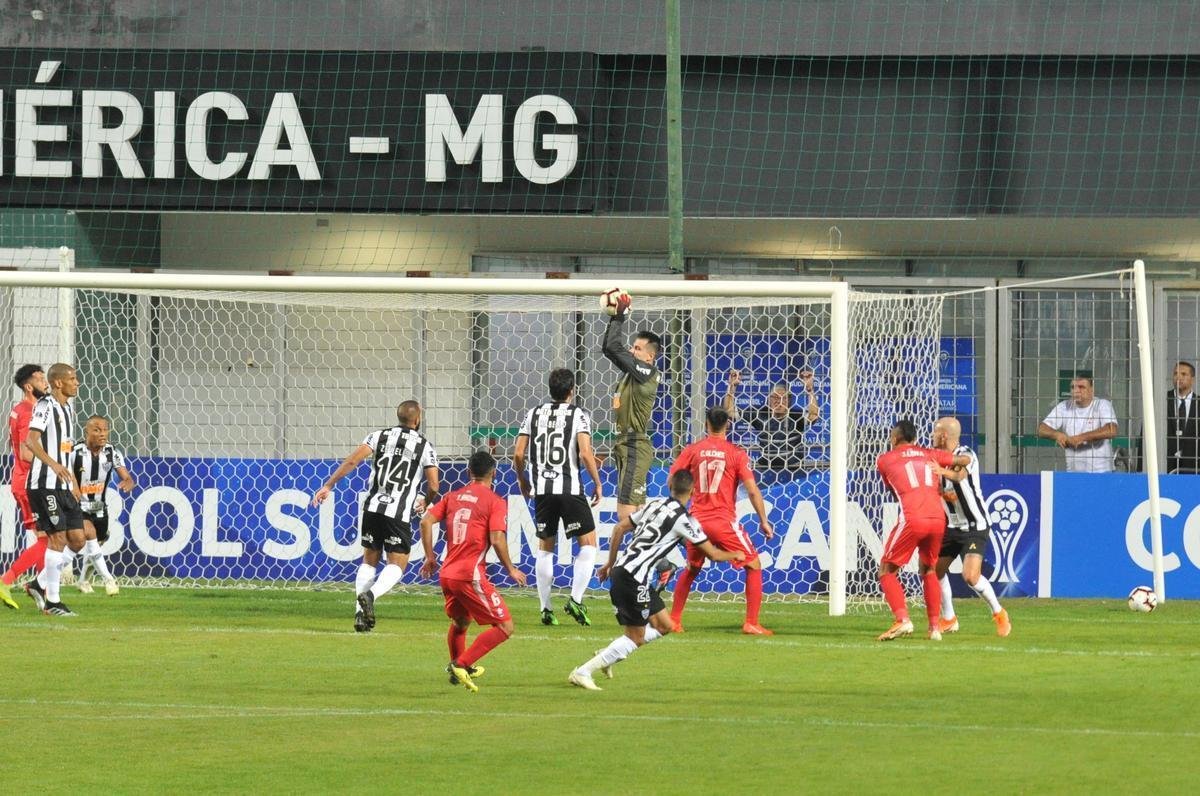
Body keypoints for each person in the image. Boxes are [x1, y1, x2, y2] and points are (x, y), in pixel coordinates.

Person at [568, 470, 743, 691]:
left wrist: (610, 563)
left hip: (630, 574)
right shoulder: (685, 520)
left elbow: (619, 527)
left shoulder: (655, 505)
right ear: (693, 492)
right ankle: (583, 672)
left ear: (670, 487)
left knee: (665, 626)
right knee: (635, 638)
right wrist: (736, 554)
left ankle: (608, 654)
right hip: (633, 579)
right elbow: (714, 554)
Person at [312, 400, 440, 632]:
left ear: (399, 416)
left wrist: (328, 485)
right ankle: (370, 596)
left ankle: (360, 616)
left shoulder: (377, 436)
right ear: (417, 419)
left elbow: (352, 460)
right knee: (398, 563)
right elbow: (434, 485)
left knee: (369, 560)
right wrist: (427, 501)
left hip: (372, 508)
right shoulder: (425, 446)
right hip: (398, 512)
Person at [419, 450, 527, 693]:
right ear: (494, 474)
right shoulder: (495, 501)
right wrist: (511, 569)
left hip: (447, 574)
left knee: (461, 621)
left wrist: (430, 557)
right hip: (470, 575)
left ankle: (458, 669)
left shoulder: (452, 496)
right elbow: (497, 539)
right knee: (505, 627)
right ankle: (461, 664)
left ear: (469, 472)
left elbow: (425, 521)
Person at [668, 406, 776, 635]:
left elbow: (672, 480)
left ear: (706, 423)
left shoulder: (692, 450)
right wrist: (763, 520)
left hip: (695, 522)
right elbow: (752, 490)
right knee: (753, 564)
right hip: (723, 521)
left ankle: (674, 620)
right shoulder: (736, 453)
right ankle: (751, 622)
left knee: (691, 568)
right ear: (727, 424)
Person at [513, 368, 603, 627]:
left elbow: (518, 453)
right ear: (572, 391)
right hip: (569, 488)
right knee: (588, 544)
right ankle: (576, 599)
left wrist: (522, 479)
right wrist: (597, 483)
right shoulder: (578, 415)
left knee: (545, 548)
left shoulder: (533, 413)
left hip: (542, 490)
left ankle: (546, 609)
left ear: (550, 389)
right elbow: (585, 453)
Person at [875, 418, 970, 641]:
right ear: (915, 438)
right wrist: (950, 471)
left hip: (913, 517)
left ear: (895, 438)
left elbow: (893, 490)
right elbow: (965, 459)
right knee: (929, 570)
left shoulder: (885, 459)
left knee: (886, 569)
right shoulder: (930, 454)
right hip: (937, 518)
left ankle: (902, 620)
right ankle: (935, 628)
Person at [930, 416, 1011, 637]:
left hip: (976, 525)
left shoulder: (967, 454)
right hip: (952, 526)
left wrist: (942, 471)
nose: (932, 435)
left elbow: (960, 474)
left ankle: (999, 612)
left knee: (970, 576)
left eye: (935, 431)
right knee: (934, 570)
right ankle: (949, 618)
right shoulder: (934, 457)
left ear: (943, 435)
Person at [23, 363, 84, 617]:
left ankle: (38, 584)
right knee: (57, 538)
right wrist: (54, 464)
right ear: (58, 382)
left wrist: (74, 483)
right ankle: (53, 602)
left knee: (78, 539)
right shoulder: (45, 405)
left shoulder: (67, 408)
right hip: (43, 484)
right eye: (72, 378)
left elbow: (66, 450)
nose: (77, 383)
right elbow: (30, 440)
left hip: (64, 485)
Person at [601, 293, 662, 523]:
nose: (631, 350)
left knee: (625, 514)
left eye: (637, 348)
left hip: (635, 445)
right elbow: (609, 348)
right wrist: (615, 318)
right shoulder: (631, 373)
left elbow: (614, 347)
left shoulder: (648, 373)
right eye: (632, 347)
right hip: (625, 445)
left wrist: (619, 316)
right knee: (637, 512)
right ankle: (648, 546)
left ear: (650, 356)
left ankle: (633, 548)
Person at [0, 364, 50, 609]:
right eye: (40, 379)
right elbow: (26, 453)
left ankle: (45, 595)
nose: (45, 382)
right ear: (29, 387)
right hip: (31, 482)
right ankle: (6, 580)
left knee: (46, 539)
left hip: (26, 481)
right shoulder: (29, 412)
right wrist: (55, 461)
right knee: (48, 540)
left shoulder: (19, 409)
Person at [71, 415, 135, 595]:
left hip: (100, 508)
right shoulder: (75, 452)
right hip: (78, 507)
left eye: (105, 430)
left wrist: (128, 482)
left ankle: (83, 581)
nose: (102, 434)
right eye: (97, 430)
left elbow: (127, 477)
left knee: (96, 544)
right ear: (87, 431)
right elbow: (64, 473)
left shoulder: (112, 452)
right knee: (90, 537)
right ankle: (109, 581)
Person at [723, 369, 819, 476]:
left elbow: (813, 416)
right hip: (766, 469)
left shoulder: (796, 416)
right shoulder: (759, 413)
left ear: (789, 401)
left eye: (783, 398)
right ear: (768, 399)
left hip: (793, 470)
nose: (779, 401)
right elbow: (729, 412)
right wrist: (732, 386)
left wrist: (810, 390)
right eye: (775, 397)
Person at [1037, 376, 1118, 473]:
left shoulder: (1102, 404)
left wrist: (1081, 438)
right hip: (1074, 473)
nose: (1076, 390)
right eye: (1073, 387)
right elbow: (1041, 429)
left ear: (1091, 390)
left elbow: (1111, 430)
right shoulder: (1064, 406)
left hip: (1101, 471)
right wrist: (1057, 435)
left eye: (1081, 387)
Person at [1166, 361, 1200, 474]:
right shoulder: (1162, 399)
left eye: (1184, 374)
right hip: (1164, 466)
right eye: (1175, 373)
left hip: (1194, 468)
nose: (1178, 377)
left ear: (1192, 379)